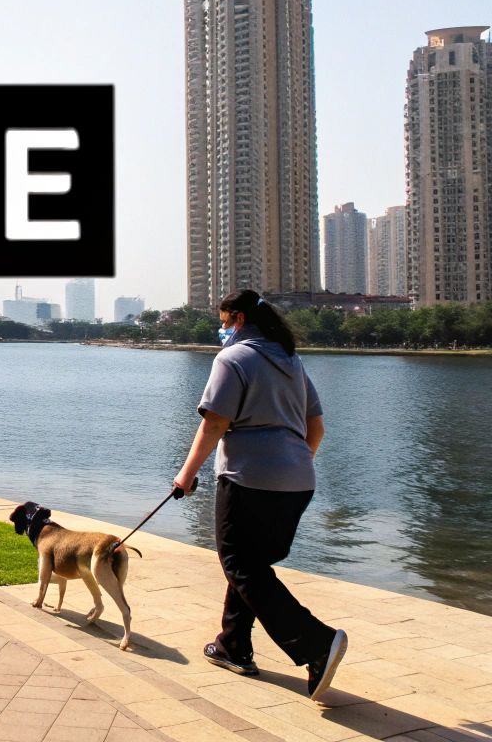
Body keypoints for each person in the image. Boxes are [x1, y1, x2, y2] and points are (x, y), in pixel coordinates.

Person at [173, 289, 347, 701]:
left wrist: (185, 476)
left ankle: (316, 642)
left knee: (239, 563)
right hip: (298, 480)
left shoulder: (233, 359)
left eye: (223, 321)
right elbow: (316, 426)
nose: (221, 329)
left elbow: (214, 425)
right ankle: (234, 644)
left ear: (236, 319)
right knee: (252, 566)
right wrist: (293, 462)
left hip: (249, 477)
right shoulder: (290, 360)